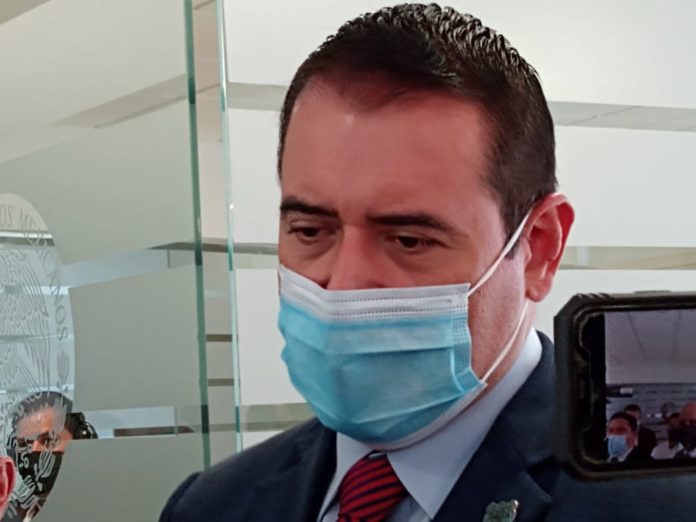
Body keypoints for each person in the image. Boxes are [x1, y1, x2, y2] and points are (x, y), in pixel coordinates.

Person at [161, 4, 696, 521]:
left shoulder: (664, 506)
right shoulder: (213, 505)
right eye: (310, 231)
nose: (343, 286)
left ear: (539, 247)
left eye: (408, 240)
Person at [4, 392, 97, 521]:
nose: (34, 450)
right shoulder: (6, 514)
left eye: (49, 440)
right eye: (24, 444)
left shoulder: (103, 509)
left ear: (79, 441)